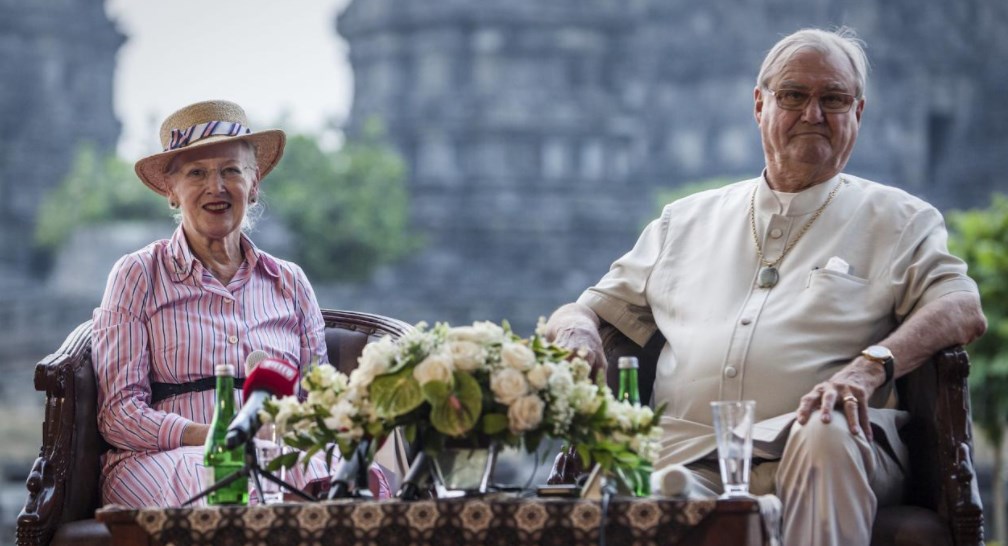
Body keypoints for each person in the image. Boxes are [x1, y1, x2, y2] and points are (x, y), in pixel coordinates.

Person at [545, 27, 986, 545]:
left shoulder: (900, 219)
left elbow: (962, 307)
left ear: (858, 114)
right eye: (794, 95)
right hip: (690, 457)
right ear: (760, 105)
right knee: (637, 482)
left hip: (830, 449)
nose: (813, 113)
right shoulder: (683, 221)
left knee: (826, 429)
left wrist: (871, 367)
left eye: (834, 99)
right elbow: (585, 309)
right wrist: (576, 328)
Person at [93, 99, 390, 507]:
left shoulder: (290, 282)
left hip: (274, 453)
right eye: (197, 173)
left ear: (254, 185)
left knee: (350, 478)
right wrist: (219, 434)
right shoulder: (139, 275)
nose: (216, 186)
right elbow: (119, 415)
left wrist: (287, 435)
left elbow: (319, 403)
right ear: (171, 190)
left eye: (231, 170)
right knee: (229, 475)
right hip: (161, 457)